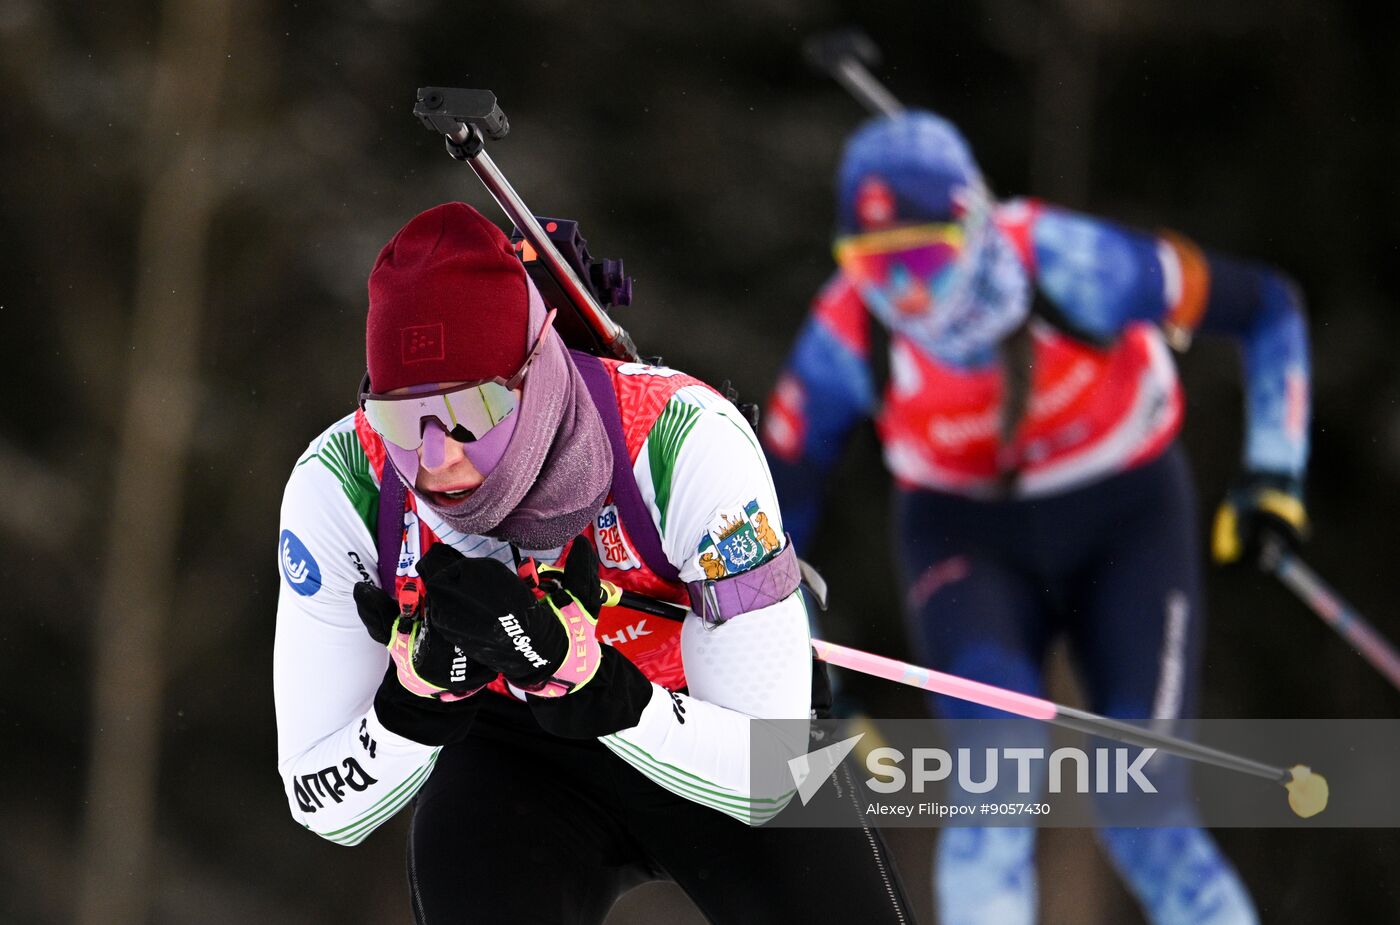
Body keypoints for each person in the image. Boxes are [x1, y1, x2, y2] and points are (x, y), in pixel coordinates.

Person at [273, 202, 917, 924]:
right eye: (400, 417)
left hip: (709, 720)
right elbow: (319, 799)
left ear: (534, 372)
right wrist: (416, 704)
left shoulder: (679, 439)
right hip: (518, 761)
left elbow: (768, 774)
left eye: (471, 413)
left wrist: (599, 689)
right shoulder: (344, 484)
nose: (436, 458)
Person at [760, 111, 1312, 925]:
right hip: (965, 534)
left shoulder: (1074, 262)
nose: (904, 292)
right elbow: (773, 508)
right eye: (873, 266)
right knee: (994, 779)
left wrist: (1273, 474)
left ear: (972, 224)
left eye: (922, 255)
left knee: (1142, 801)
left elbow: (1269, 307)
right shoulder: (847, 332)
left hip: (1127, 516)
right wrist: (813, 683)